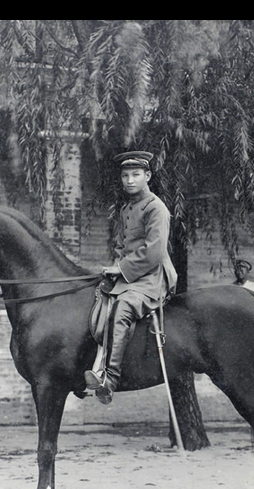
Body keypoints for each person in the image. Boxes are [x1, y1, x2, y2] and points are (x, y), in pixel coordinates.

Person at [84, 151, 178, 404]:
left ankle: (109, 380)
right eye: (125, 176)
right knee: (99, 300)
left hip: (153, 277)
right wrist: (115, 267)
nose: (130, 180)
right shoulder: (127, 208)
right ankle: (95, 367)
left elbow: (155, 251)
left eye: (136, 175)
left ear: (148, 176)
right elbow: (122, 246)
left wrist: (122, 269)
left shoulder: (156, 208)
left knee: (122, 308)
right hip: (131, 275)